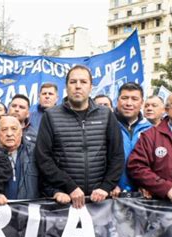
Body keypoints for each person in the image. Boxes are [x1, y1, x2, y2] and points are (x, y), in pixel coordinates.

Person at [35, 65, 124, 208]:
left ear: (91, 87)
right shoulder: (51, 116)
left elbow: (117, 155)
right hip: (64, 199)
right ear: (66, 86)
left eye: (83, 82)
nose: (78, 86)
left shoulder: (106, 115)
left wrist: (106, 187)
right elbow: (43, 158)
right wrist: (69, 186)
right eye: (73, 82)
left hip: (100, 200)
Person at [113, 82, 152, 194]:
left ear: (142, 103)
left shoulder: (151, 130)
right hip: (112, 194)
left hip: (142, 195)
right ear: (118, 100)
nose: (129, 103)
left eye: (134, 99)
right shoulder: (106, 125)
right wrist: (108, 185)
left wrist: (149, 185)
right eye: (124, 98)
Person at [0, 115, 38, 199]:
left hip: (28, 210)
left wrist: (56, 192)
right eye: (4, 129)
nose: (9, 134)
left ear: (21, 133)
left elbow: (46, 181)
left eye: (14, 129)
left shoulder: (35, 153)